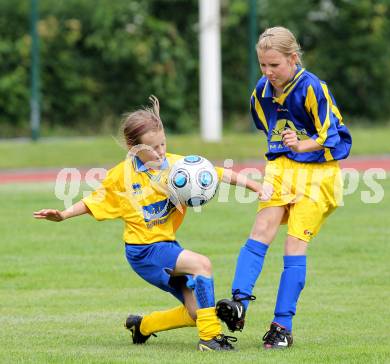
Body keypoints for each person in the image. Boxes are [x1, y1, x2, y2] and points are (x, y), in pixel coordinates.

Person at [33, 95, 270, 352]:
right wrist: (63, 214)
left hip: (166, 245)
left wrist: (254, 185)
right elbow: (92, 201)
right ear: (133, 148)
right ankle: (210, 339)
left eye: (163, 144)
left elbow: (215, 173)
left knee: (196, 312)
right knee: (203, 265)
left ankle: (143, 326)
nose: (160, 152)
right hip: (144, 250)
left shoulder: (176, 166)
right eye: (153, 148)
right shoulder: (121, 177)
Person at [215, 26, 352, 349]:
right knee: (262, 228)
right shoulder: (261, 92)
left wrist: (302, 145)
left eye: (274, 65)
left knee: (293, 246)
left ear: (293, 59)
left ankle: (282, 327)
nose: (268, 72)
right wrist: (288, 149)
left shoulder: (313, 87)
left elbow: (337, 138)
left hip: (318, 174)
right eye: (263, 65)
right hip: (281, 168)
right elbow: (270, 132)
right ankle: (238, 303)